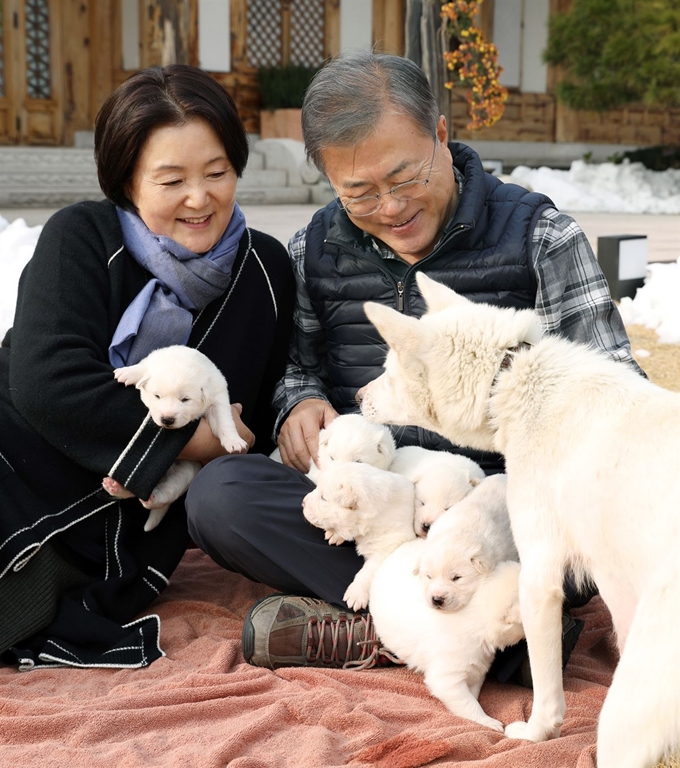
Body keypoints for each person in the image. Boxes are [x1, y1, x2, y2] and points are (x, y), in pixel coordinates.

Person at [186, 51, 642, 676]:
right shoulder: (312, 249)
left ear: (442, 135)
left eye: (405, 178)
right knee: (220, 497)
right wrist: (299, 403)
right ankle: (488, 638)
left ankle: (386, 632)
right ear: (328, 182)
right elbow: (296, 366)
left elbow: (616, 393)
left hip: (501, 506)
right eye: (360, 193)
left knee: (573, 526)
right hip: (374, 495)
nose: (391, 207)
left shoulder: (539, 236)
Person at [0, 64, 295, 668]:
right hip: (17, 457)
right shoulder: (80, 236)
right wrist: (193, 436)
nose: (199, 197)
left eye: (217, 173)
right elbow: (46, 382)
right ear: (127, 180)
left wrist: (230, 437)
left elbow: (259, 410)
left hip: (130, 530)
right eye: (171, 180)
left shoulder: (265, 270)